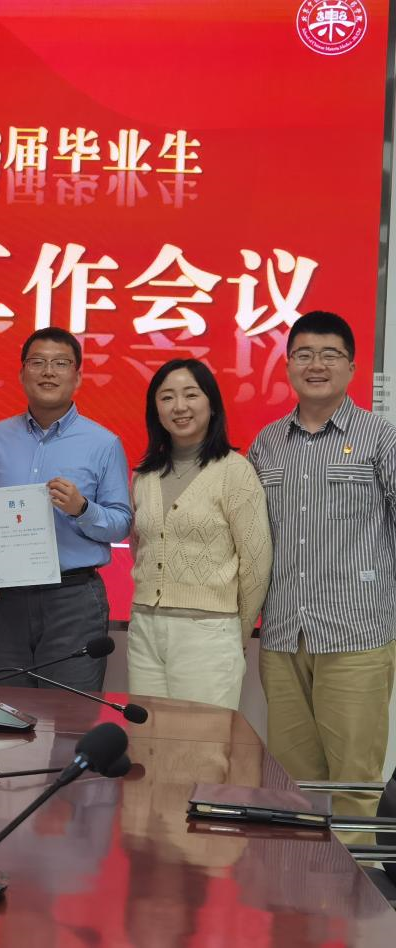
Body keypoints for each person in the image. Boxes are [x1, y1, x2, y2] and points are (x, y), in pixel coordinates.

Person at [248, 310, 396, 819]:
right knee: (292, 783)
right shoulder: (267, 443)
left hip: (357, 636)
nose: (317, 364)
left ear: (351, 367)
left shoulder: (380, 437)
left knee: (354, 780)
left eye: (330, 354)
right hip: (283, 637)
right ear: (288, 365)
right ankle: (302, 872)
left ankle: (353, 872)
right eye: (305, 354)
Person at [0, 327, 132, 691]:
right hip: (5, 598)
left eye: (60, 363)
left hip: (74, 601)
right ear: (22, 373)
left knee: (69, 714)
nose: (48, 372)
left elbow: (121, 522)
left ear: (78, 376)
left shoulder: (103, 443)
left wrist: (82, 508)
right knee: (7, 711)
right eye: (37, 362)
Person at [127, 359, 271, 710]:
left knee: (201, 740)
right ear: (155, 410)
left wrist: (235, 635)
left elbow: (256, 564)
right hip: (144, 627)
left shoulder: (235, 472)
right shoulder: (144, 476)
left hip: (208, 632)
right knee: (147, 738)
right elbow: (141, 548)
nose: (179, 406)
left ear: (212, 404)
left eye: (191, 395)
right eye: (167, 397)